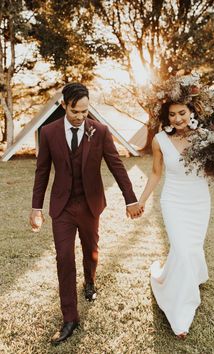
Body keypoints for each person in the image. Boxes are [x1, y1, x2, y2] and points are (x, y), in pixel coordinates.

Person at [29, 82, 142, 345]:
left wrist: (130, 199)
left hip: (91, 204)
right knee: (64, 258)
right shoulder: (48, 132)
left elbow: (116, 165)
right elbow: (42, 171)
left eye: (85, 111)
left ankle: (90, 282)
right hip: (63, 208)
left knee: (91, 249)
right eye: (75, 111)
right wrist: (36, 207)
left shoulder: (99, 131)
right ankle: (70, 317)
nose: (81, 117)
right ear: (63, 106)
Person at [139, 74, 214, 338]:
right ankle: (180, 315)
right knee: (182, 250)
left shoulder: (205, 137)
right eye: (171, 114)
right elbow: (156, 174)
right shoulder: (159, 140)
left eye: (181, 112)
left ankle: (176, 277)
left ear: (191, 110)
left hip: (199, 201)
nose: (177, 119)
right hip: (173, 201)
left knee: (191, 248)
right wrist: (142, 199)